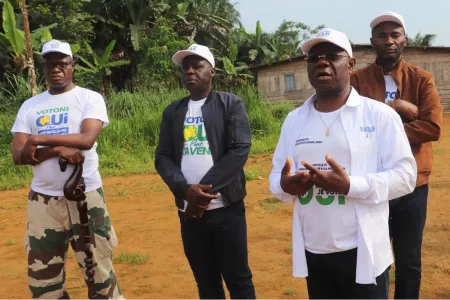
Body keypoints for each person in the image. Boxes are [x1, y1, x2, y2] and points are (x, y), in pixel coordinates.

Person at [269, 28, 417, 299]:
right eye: (314, 58)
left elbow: (406, 176)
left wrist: (351, 185)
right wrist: (285, 185)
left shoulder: (379, 116)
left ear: (350, 65)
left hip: (362, 249)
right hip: (315, 249)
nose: (322, 62)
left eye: (332, 56)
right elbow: (277, 174)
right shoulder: (294, 120)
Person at [11, 40, 123, 299]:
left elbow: (86, 140)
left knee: (99, 274)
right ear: (43, 67)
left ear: (72, 66)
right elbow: (19, 155)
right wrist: (58, 151)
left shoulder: (89, 98)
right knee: (43, 283)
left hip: (85, 198)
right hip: (43, 202)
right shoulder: (30, 106)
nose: (56, 68)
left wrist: (38, 140)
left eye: (62, 63)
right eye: (50, 64)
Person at [350, 11, 443, 299]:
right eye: (382, 35)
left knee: (409, 259)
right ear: (372, 42)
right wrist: (397, 110)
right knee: (372, 255)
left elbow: (432, 127)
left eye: (395, 34)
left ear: (404, 40)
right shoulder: (356, 81)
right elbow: (352, 126)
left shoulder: (422, 79)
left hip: (413, 183)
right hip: (372, 182)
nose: (388, 40)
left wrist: (378, 125)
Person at [154, 44, 256, 299]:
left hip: (226, 209)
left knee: (239, 279)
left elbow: (239, 150)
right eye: (185, 67)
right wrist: (185, 190)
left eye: (197, 66)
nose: (190, 71)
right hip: (189, 213)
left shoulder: (230, 104)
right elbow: (163, 156)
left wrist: (201, 194)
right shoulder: (173, 111)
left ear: (212, 72)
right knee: (205, 280)